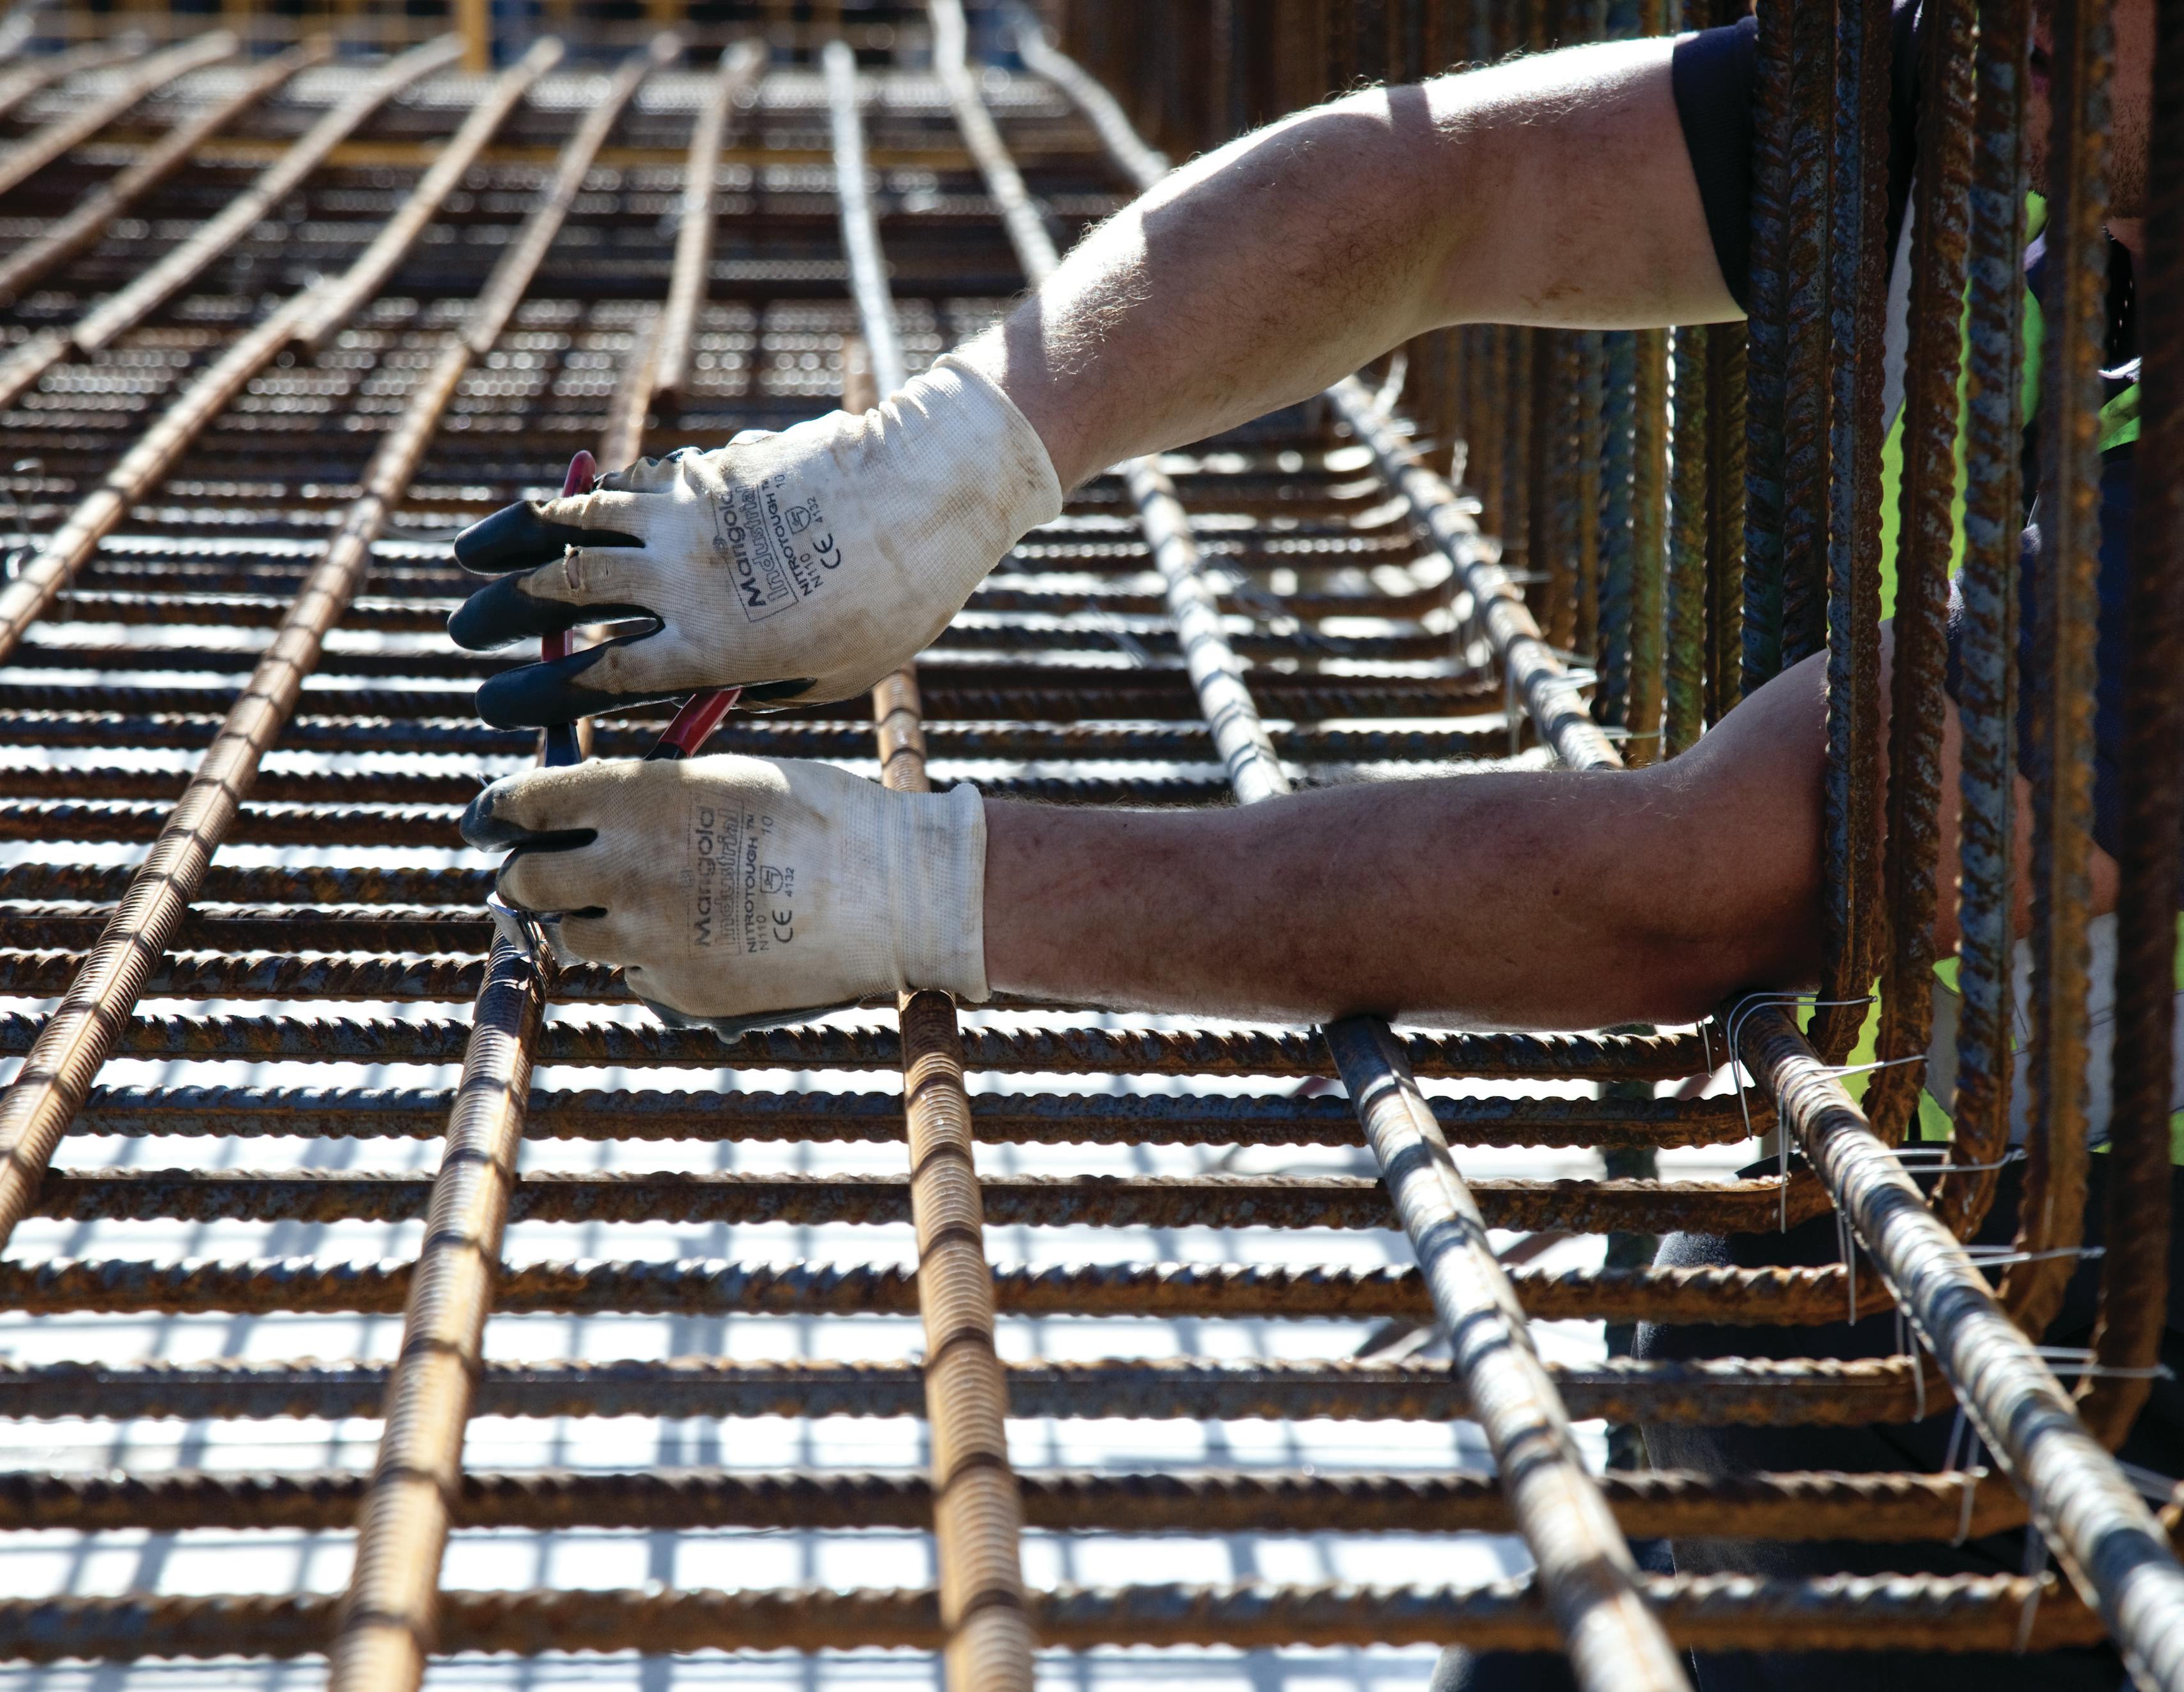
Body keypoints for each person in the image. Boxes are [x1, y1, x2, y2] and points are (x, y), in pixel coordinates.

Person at [446, 6, 2167, 1688]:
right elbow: (1458, 187)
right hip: (1843, 1267)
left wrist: (915, 886)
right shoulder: (2015, 70)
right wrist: (924, 474)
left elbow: (1691, 879)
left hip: (2094, 1413)